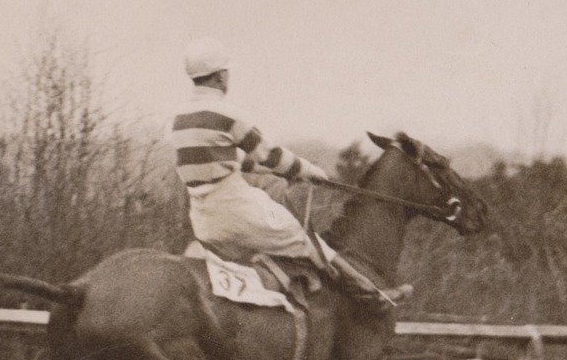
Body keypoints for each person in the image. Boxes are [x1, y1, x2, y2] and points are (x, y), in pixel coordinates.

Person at [169, 37, 408, 311]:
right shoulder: (227, 114)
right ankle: (375, 296)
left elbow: (236, 160)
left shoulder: (180, 119)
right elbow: (269, 154)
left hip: (203, 222)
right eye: (227, 73)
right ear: (222, 76)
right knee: (309, 243)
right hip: (237, 213)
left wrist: (282, 174)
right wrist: (307, 171)